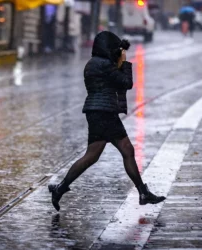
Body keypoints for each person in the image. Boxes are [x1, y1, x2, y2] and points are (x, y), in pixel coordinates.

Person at [48, 31, 166, 211]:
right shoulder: (105, 65)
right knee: (126, 149)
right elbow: (126, 83)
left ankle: (60, 188)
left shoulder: (92, 63)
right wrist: (124, 62)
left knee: (92, 156)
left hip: (96, 112)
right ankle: (143, 192)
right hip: (105, 113)